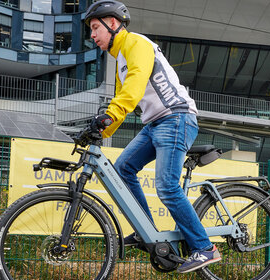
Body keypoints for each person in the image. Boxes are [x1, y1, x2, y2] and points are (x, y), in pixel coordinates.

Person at [84, 0, 221, 273]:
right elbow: (125, 100)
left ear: (113, 23)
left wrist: (108, 117)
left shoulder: (137, 44)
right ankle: (147, 230)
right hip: (156, 123)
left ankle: (205, 248)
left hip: (176, 117)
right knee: (123, 169)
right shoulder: (121, 56)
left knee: (167, 186)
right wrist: (103, 129)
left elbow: (133, 88)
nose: (92, 35)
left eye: (95, 27)